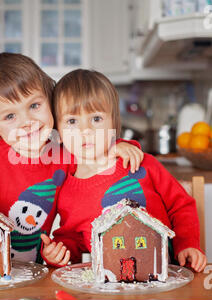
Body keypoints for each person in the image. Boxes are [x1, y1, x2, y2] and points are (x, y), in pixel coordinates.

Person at [0, 53, 143, 268]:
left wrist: (118, 146)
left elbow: (96, 151)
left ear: (50, 101)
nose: (27, 121)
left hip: (31, 274)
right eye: (10, 116)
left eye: (34, 105)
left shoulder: (65, 153)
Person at [41, 69, 206, 272]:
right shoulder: (67, 190)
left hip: (167, 278)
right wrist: (57, 253)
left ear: (113, 122)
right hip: (111, 287)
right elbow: (72, 240)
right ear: (58, 130)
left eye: (96, 119)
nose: (86, 131)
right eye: (72, 121)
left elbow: (180, 206)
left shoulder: (141, 164)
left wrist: (187, 244)